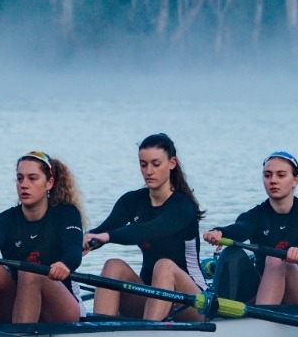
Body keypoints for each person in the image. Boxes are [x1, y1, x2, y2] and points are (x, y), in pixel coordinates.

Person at [83, 133, 208, 321]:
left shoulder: (182, 207)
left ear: (172, 163)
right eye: (143, 164)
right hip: (151, 296)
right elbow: (103, 230)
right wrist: (82, 242)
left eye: (156, 164)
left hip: (191, 301)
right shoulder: (132, 200)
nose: (148, 171)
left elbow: (146, 230)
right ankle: (100, 332)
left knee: (164, 265)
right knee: (113, 266)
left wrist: (107, 237)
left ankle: (148, 335)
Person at [0, 151, 86, 324]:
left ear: (49, 183)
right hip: (20, 299)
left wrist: (65, 264)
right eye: (20, 179)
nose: (24, 185)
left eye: (32, 178)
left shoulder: (66, 214)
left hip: (62, 308)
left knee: (29, 270)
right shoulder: (4, 220)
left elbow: (74, 249)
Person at [202, 151, 298, 306]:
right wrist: (220, 232)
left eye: (281, 175)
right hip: (266, 289)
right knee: (230, 252)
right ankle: (223, 313)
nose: (273, 180)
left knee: (276, 258)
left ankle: (261, 321)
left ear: (295, 180)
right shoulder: (255, 215)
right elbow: (240, 229)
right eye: (267, 175)